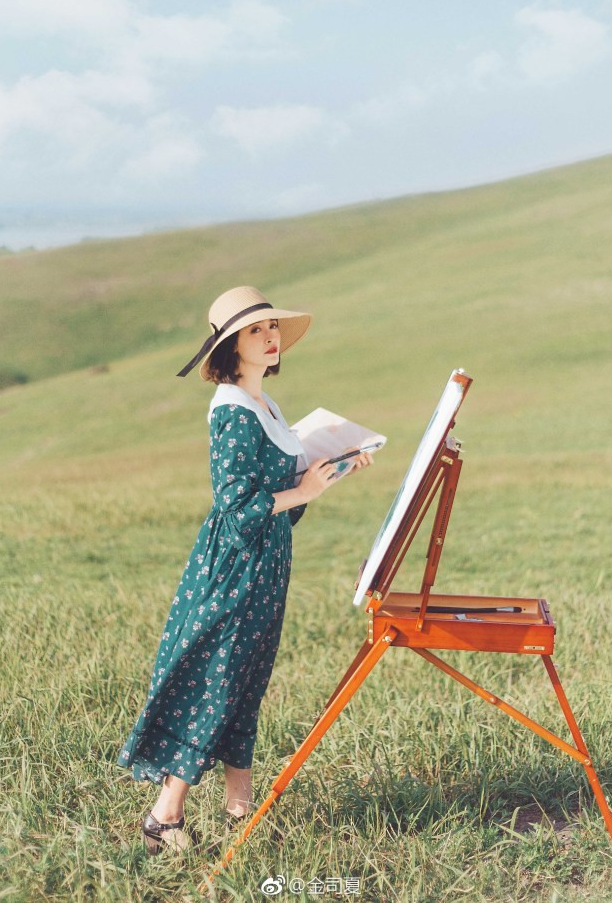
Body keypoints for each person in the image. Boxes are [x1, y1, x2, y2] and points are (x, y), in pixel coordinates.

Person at [116, 285, 372, 853]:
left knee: (246, 682)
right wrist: (302, 487)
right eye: (256, 330)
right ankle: (164, 817)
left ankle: (240, 812)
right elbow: (236, 506)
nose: (271, 336)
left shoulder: (266, 406)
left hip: (266, 562)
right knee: (218, 680)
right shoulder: (232, 410)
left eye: (273, 327)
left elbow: (282, 496)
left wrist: (333, 469)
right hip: (234, 567)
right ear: (231, 345)